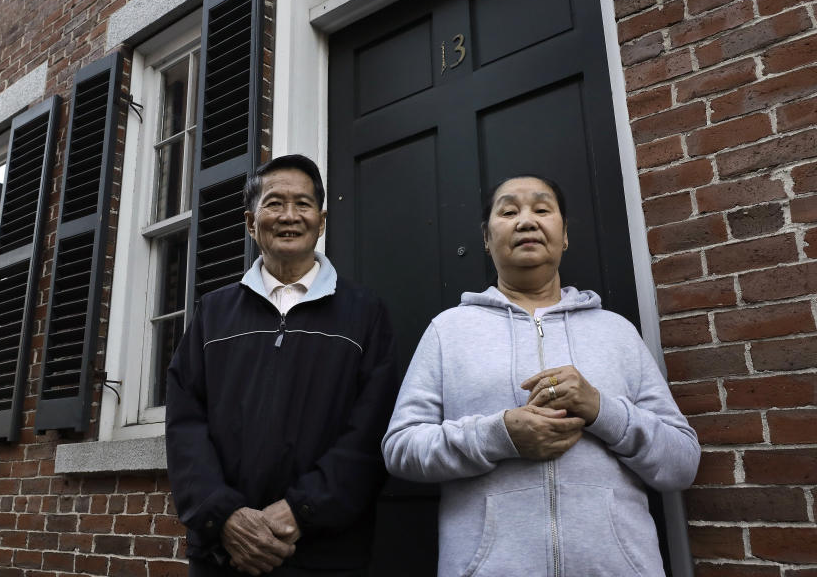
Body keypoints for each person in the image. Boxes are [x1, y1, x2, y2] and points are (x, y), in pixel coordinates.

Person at [382, 175, 700, 577]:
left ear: (564, 234)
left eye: (542, 209)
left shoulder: (617, 332)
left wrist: (601, 410)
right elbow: (401, 448)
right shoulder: (449, 331)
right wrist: (499, 435)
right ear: (486, 237)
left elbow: (682, 462)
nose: (526, 221)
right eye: (509, 211)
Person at [166, 155, 398, 577]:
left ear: (322, 221)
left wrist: (300, 509)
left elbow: (371, 429)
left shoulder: (364, 313)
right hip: (224, 554)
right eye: (274, 203)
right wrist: (226, 517)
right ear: (251, 223)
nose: (289, 216)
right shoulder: (213, 312)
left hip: (326, 554)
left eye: (303, 204)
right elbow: (184, 423)